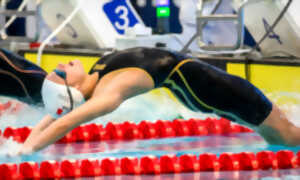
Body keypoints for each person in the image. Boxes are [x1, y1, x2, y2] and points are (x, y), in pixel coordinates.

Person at [0, 47, 299, 156]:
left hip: (206, 91)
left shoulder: (96, 76)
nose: (64, 63)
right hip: (223, 91)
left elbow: (60, 111)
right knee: (290, 138)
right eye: (62, 71)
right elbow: (68, 117)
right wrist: (28, 149)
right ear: (71, 88)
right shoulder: (111, 89)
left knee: (284, 134)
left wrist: (28, 138)